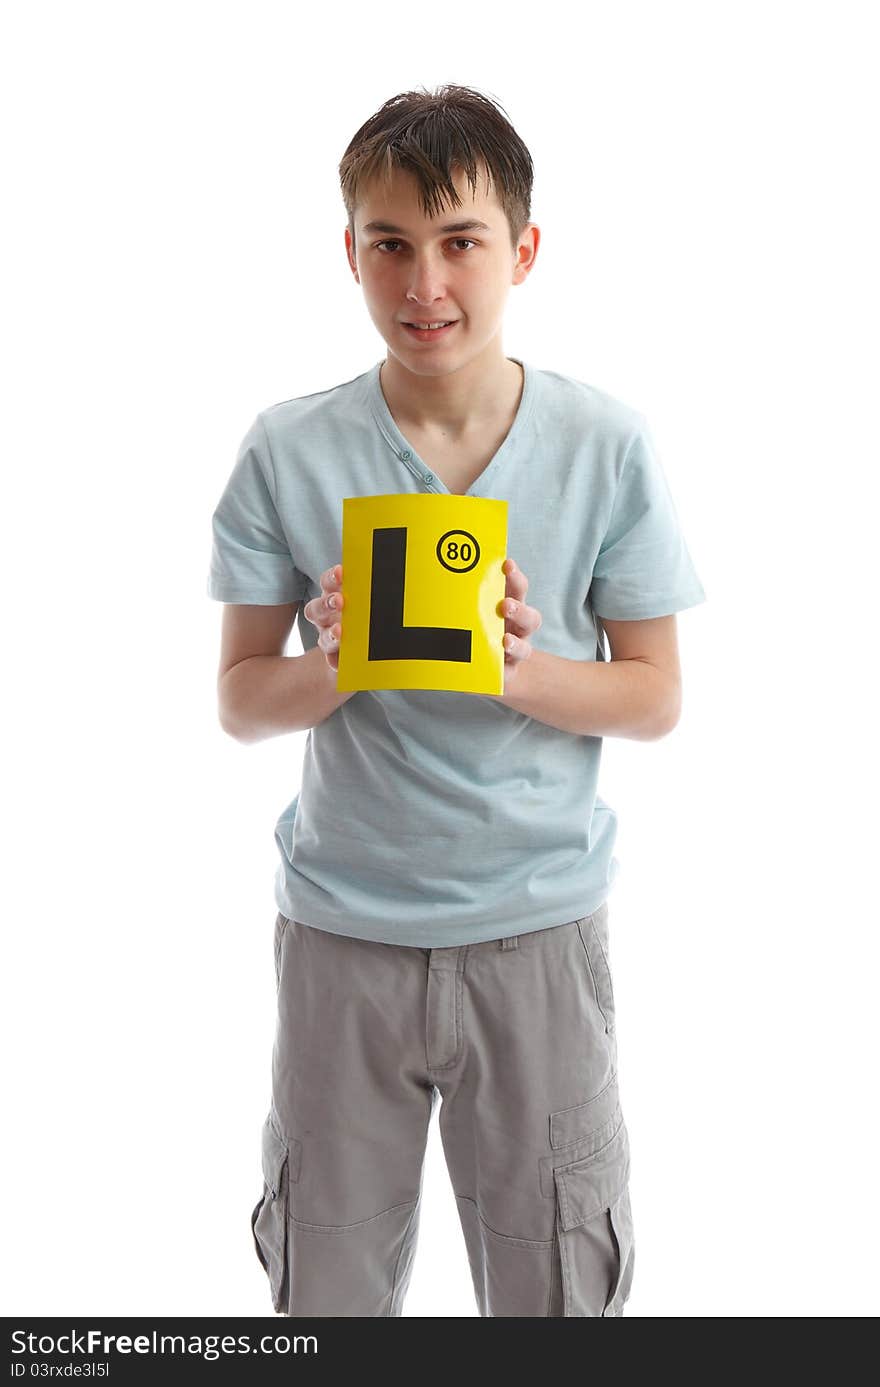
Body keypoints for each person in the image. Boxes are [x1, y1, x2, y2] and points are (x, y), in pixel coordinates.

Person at [206, 84, 706, 1318]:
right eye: (390, 246)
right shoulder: (286, 447)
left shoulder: (606, 443)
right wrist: (342, 660)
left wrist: (516, 669)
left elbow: (654, 697)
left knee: (551, 1285)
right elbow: (238, 698)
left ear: (521, 249)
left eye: (460, 243)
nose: (424, 283)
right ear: (352, 256)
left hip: (533, 930)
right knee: (323, 1285)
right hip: (342, 932)